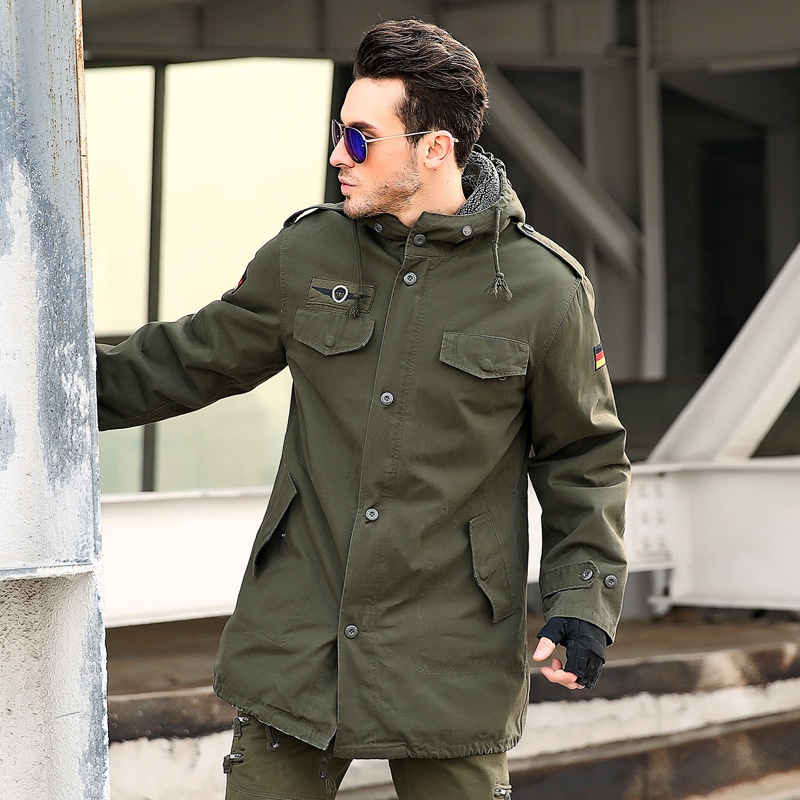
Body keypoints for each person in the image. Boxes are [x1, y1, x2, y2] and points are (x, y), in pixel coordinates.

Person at [96, 18, 629, 800]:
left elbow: (583, 457)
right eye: (338, 133)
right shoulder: (307, 254)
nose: (338, 157)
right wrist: (38, 394)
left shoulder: (544, 290)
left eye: (360, 139)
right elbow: (182, 362)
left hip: (451, 657)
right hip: (298, 647)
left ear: (434, 148)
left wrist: (581, 599)